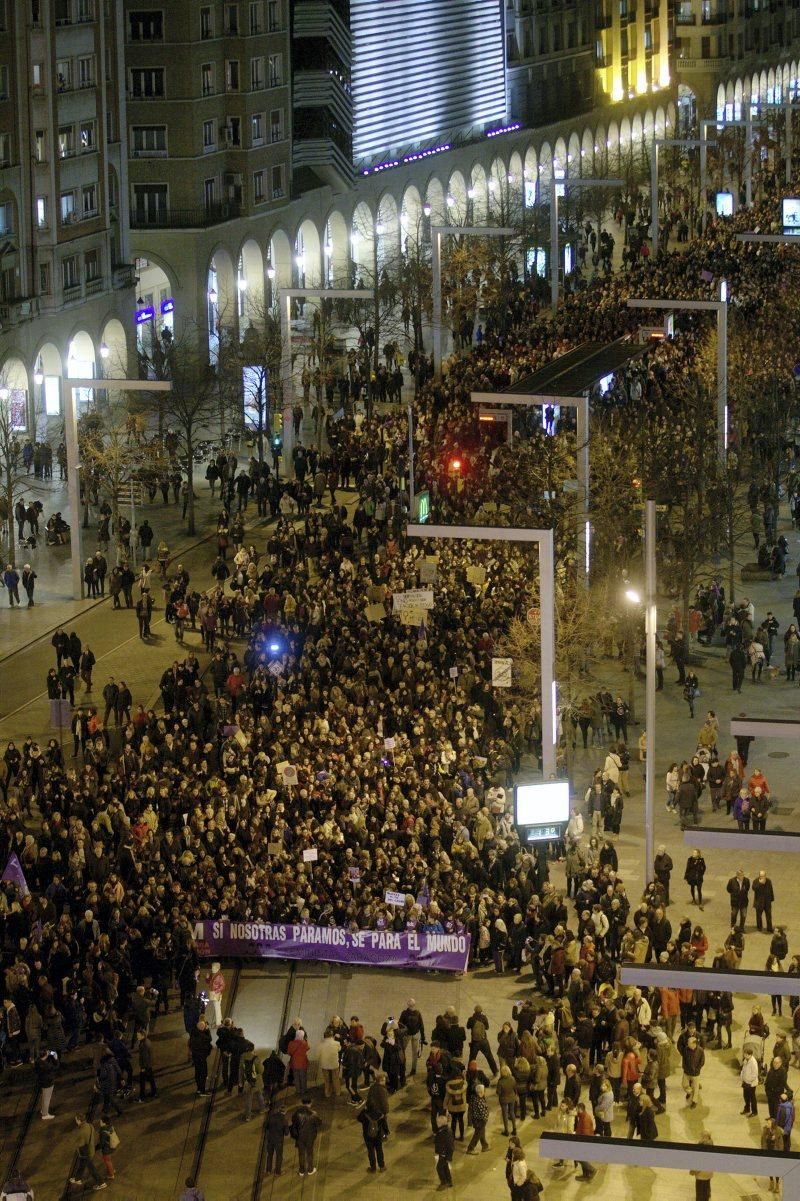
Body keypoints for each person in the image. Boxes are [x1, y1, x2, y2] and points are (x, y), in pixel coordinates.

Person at [69, 1115, 106, 1190]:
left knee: (91, 1168)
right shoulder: (89, 1125)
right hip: (91, 1149)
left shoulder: (82, 1132)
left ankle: (101, 1183)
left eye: (76, 1120)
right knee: (82, 1165)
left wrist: (80, 1151)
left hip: (85, 1152)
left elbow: (81, 1144)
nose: (76, 1121)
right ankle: (77, 1179)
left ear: (79, 1120)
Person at [290, 1095, 322, 1177]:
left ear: (302, 1103)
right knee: (309, 1153)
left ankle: (301, 1171)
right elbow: (319, 1123)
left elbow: (293, 1121)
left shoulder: (297, 1113)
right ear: (310, 1103)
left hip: (300, 1137)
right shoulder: (313, 1114)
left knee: (301, 1153)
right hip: (310, 1137)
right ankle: (310, 1170)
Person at [356, 1098, 387, 1173]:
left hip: (368, 1136)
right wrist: (386, 1133)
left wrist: (364, 1110)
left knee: (371, 1151)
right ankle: (382, 1166)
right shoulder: (379, 1113)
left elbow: (358, 1118)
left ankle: (373, 1168)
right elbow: (384, 1123)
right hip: (378, 1135)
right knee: (379, 1150)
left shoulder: (365, 1114)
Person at [240, 1042, 266, 1120]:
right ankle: (262, 1109)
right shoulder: (256, 1058)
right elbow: (261, 1070)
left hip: (248, 1081)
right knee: (259, 1094)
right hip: (256, 1081)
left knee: (249, 1099)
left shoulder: (242, 1057)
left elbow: (240, 1070)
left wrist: (240, 1081)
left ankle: (248, 1116)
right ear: (253, 1049)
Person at [189, 1017, 212, 1096]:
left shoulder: (194, 1033)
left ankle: (199, 1088)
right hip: (202, 1057)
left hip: (195, 1057)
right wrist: (207, 1030)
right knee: (203, 1074)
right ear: (202, 1029)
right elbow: (209, 1039)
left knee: (198, 1072)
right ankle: (202, 1091)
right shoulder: (203, 1037)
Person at [264, 1104, 289, 1175]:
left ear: (279, 1110)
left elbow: (265, 1126)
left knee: (269, 1155)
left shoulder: (271, 1117)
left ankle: (268, 1170)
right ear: (285, 1111)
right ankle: (277, 1172)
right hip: (278, 1141)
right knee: (279, 1156)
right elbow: (286, 1133)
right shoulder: (284, 1120)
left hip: (270, 1139)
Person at [689, 1132, 714, 1201]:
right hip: (709, 1174)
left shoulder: (701, 1147)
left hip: (700, 1176)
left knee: (700, 1191)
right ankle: (707, 1196)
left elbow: (698, 1163)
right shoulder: (712, 1146)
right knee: (707, 1186)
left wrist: (692, 1171)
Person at [466, 1081, 489, 1154]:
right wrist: (486, 1119)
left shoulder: (473, 1097)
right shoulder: (479, 1101)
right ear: (480, 1092)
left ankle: (485, 1146)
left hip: (475, 1119)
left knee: (481, 1132)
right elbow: (483, 1113)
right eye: (483, 1091)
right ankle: (470, 1148)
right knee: (477, 1135)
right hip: (480, 1120)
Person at [34, 1048, 57, 1120]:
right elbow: (56, 1067)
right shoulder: (47, 1066)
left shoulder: (37, 1061)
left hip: (42, 1082)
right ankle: (45, 1114)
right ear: (45, 1056)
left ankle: (43, 1110)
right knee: (47, 1098)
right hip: (48, 1083)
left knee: (44, 1097)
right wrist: (56, 1059)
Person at [434, 1112, 455, 1190]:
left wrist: (449, 1157)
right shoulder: (443, 1130)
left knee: (439, 1168)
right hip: (442, 1153)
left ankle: (444, 1183)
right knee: (445, 1167)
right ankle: (449, 1181)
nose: (437, 1123)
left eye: (438, 1122)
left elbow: (450, 1146)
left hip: (444, 1154)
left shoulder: (446, 1132)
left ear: (441, 1123)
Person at [135, 1030, 157, 1101]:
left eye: (138, 1035)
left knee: (142, 1081)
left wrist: (143, 1067)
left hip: (145, 1066)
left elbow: (144, 1057)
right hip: (149, 1064)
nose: (137, 1037)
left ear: (143, 1035)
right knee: (151, 1079)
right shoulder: (147, 1041)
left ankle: (142, 1095)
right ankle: (154, 1092)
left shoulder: (143, 1045)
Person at [762, 1116, 783, 1191]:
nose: (767, 1124)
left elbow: (781, 1144)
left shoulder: (778, 1131)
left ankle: (777, 1184)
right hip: (768, 1151)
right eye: (767, 1123)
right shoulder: (765, 1129)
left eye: (768, 1123)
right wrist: (764, 1151)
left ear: (773, 1124)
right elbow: (763, 1141)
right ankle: (771, 1182)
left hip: (775, 1151)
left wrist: (779, 1154)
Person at [740, 1047, 759, 1116]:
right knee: (746, 1096)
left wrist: (748, 1080)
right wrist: (742, 1078)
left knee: (752, 1098)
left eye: (745, 1054)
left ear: (750, 1055)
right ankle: (747, 1108)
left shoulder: (753, 1062)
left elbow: (755, 1074)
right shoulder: (746, 1060)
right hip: (745, 1082)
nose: (744, 1055)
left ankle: (754, 1111)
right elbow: (743, 1069)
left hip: (751, 1084)